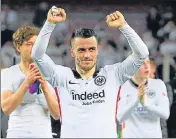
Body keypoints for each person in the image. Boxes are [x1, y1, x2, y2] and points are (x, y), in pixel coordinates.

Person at [31, 6, 149, 138]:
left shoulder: (113, 75)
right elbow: (37, 55)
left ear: (98, 50)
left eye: (91, 49)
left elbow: (142, 54)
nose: (87, 55)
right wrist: (49, 24)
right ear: (72, 52)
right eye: (81, 50)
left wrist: (123, 26)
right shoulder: (61, 76)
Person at [1, 26, 60, 138]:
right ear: (18, 47)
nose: (34, 48)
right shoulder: (9, 73)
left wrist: (45, 87)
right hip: (17, 134)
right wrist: (26, 83)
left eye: (36, 44)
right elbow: (6, 109)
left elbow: (57, 115)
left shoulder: (50, 74)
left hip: (44, 134)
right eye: (29, 44)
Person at [117, 57, 170, 138]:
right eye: (142, 63)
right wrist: (136, 100)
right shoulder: (123, 86)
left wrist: (146, 105)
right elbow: (120, 118)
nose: (147, 66)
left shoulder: (158, 85)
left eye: (148, 62)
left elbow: (165, 114)